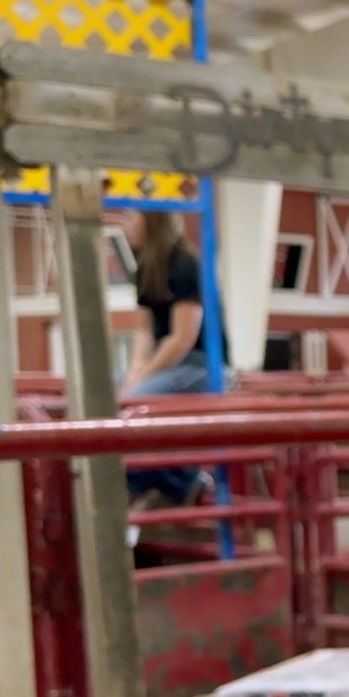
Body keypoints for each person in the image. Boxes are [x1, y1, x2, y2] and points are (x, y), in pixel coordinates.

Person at [121, 209, 223, 510]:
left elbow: (182, 337)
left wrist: (143, 377)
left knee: (136, 402)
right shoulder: (144, 268)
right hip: (168, 362)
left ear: (152, 221)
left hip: (201, 363)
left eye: (131, 218)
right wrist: (136, 370)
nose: (125, 225)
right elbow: (144, 330)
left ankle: (180, 479)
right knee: (107, 394)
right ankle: (149, 481)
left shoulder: (184, 263)